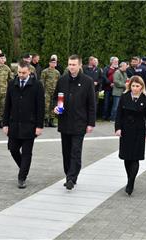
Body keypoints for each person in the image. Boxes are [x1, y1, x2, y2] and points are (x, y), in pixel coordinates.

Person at [53, 55, 96, 190]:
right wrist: (55, 107)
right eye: (69, 64)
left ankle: (72, 177)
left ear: (79, 65)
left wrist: (91, 123)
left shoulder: (87, 81)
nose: (71, 67)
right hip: (65, 121)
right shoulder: (62, 80)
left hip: (79, 122)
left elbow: (91, 104)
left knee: (76, 151)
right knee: (66, 151)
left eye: (73, 64)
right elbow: (56, 98)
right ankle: (68, 174)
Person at [3, 61, 45, 188]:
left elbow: (40, 107)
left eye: (23, 73)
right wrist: (5, 124)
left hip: (30, 125)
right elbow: (7, 106)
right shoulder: (12, 84)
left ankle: (22, 177)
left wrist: (39, 126)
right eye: (19, 72)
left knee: (27, 152)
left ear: (29, 72)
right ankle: (24, 167)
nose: (21, 75)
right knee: (13, 149)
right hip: (14, 124)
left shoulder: (37, 85)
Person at [115, 76, 146, 196]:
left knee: (135, 157)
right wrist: (118, 128)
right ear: (129, 86)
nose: (135, 88)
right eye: (133, 85)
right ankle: (129, 178)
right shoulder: (124, 96)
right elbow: (118, 114)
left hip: (139, 130)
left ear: (142, 86)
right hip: (126, 130)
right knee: (126, 157)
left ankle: (131, 182)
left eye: (137, 86)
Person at [41, 58, 61, 127]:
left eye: (55, 63)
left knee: (53, 106)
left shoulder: (57, 72)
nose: (53, 64)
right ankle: (46, 120)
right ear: (49, 63)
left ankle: (51, 121)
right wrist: (42, 91)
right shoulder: (45, 71)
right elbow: (42, 82)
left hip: (54, 91)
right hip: (47, 91)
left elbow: (59, 82)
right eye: (52, 62)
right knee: (46, 106)